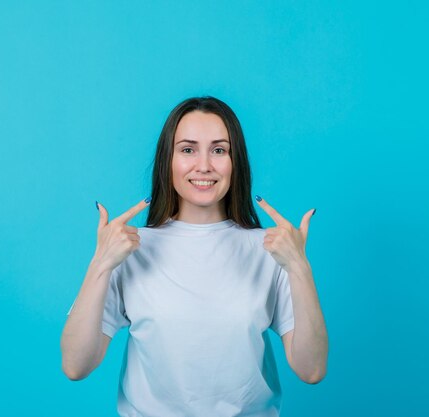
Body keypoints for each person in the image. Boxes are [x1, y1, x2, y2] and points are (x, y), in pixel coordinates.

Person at [60, 96, 328, 416]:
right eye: (188, 149)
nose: (204, 165)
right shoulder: (129, 249)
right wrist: (100, 264)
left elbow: (311, 370)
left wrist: (300, 268)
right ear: (168, 161)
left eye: (219, 150)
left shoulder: (272, 250)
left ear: (235, 161)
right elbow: (76, 366)